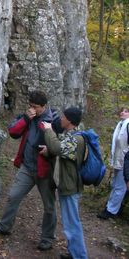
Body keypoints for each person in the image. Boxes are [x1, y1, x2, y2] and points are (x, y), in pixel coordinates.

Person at [0, 90, 56, 252]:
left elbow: (58, 145)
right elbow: (13, 132)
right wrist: (26, 118)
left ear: (44, 106)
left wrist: (50, 150)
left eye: (35, 107)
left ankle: (47, 238)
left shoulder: (53, 120)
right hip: (27, 167)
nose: (32, 109)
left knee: (49, 206)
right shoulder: (28, 117)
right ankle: (5, 226)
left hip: (45, 170)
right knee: (13, 196)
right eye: (30, 106)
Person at [40, 107, 88, 259]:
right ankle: (74, 253)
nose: (60, 118)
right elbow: (60, 152)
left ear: (70, 120)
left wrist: (48, 130)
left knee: (72, 224)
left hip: (70, 186)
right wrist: (48, 151)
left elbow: (57, 148)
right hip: (67, 184)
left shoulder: (76, 138)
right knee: (70, 223)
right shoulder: (71, 135)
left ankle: (79, 256)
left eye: (63, 116)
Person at [97, 107, 129, 220]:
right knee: (116, 184)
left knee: (120, 186)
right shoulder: (121, 125)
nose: (122, 112)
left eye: (126, 111)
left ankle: (111, 211)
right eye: (122, 110)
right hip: (118, 160)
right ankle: (113, 207)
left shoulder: (128, 125)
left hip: (125, 161)